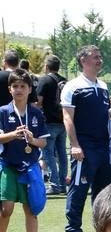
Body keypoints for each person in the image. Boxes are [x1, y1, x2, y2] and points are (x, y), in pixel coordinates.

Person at [61, 45, 111, 232]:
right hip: (85, 146)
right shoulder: (72, 86)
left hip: (105, 147)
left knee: (104, 191)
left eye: (100, 56)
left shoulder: (104, 86)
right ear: (83, 60)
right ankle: (73, 229)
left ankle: (101, 229)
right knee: (79, 188)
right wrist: (75, 145)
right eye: (95, 57)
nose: (99, 60)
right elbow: (67, 118)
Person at [0, 68, 49, 232]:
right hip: (8, 165)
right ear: (10, 89)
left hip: (30, 166)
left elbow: (44, 143)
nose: (19, 90)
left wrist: (32, 139)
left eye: (23, 86)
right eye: (15, 86)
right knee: (6, 209)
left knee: (32, 209)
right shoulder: (3, 111)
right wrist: (13, 135)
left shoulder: (36, 113)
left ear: (30, 90)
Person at [36, 54, 68, 194]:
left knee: (48, 154)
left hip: (49, 122)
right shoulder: (64, 80)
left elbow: (38, 102)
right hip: (63, 122)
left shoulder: (44, 80)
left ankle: (55, 184)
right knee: (62, 154)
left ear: (47, 66)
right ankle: (62, 183)